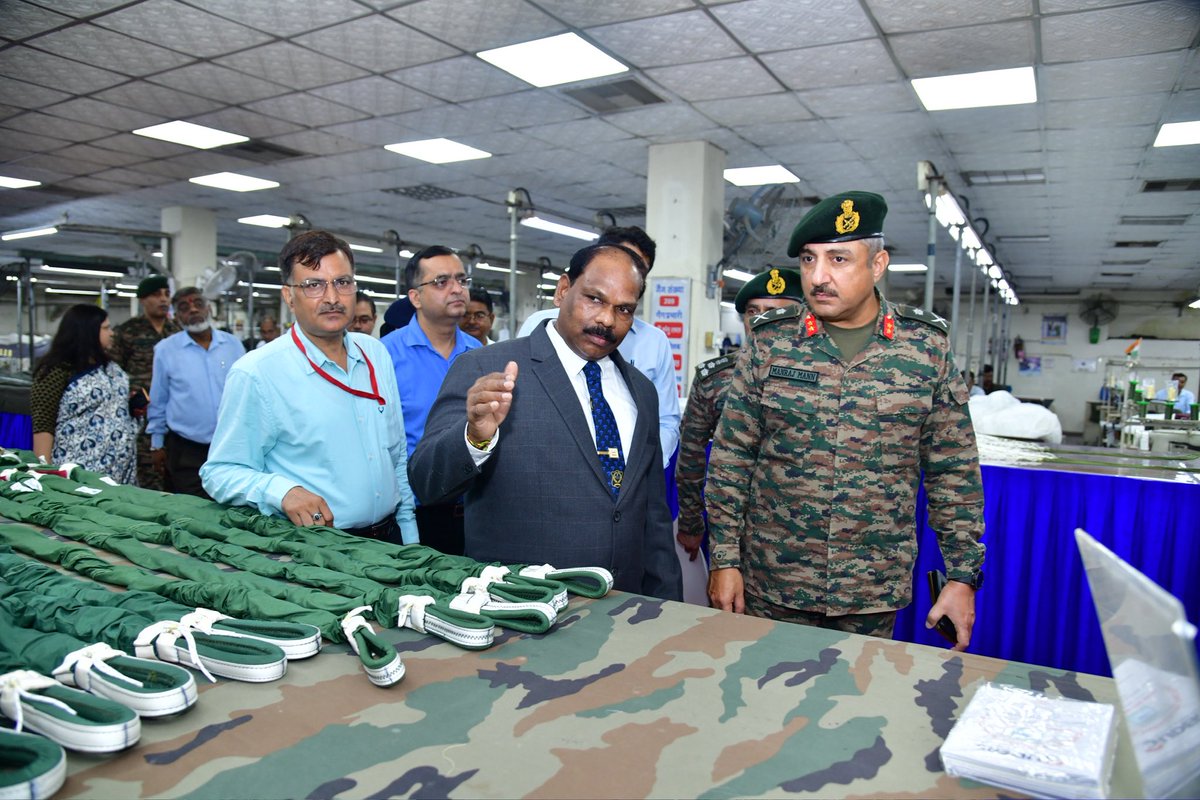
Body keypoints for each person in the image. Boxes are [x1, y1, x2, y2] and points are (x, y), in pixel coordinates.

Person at [706, 190, 985, 650]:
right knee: (760, 689)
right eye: (808, 260)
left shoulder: (924, 348)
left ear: (878, 265)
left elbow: (953, 469)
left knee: (860, 694)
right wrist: (723, 559)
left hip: (870, 589)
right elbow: (732, 457)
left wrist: (962, 575)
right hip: (773, 580)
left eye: (838, 259)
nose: (818, 277)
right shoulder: (771, 343)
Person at [410, 243, 682, 600]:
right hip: (524, 607)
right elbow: (426, 482)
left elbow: (653, 515)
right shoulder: (484, 367)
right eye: (595, 299)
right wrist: (474, 438)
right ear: (563, 290)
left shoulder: (641, 391)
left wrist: (668, 606)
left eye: (624, 309)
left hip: (625, 607)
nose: (607, 320)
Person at [201, 230, 417, 544]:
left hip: (389, 538)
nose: (332, 298)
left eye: (342, 282)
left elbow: (396, 455)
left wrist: (409, 535)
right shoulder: (257, 373)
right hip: (317, 546)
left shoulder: (375, 354)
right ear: (289, 296)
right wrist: (282, 492)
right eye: (314, 285)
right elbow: (219, 472)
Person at [517, 226, 680, 470]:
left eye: (638, 269)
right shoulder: (539, 325)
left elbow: (666, 420)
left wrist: (645, 467)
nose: (606, 320)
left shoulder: (654, 342)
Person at [675, 267, 804, 561]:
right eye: (752, 311)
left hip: (801, 528)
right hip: (733, 530)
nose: (759, 320)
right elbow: (691, 456)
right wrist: (690, 522)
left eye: (774, 312)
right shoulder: (715, 378)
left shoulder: (825, 375)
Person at [381, 246, 482, 554]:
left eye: (461, 280)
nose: (456, 289)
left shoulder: (479, 354)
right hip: (414, 514)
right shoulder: (385, 355)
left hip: (475, 510)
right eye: (441, 282)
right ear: (415, 297)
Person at [147, 287, 245, 497]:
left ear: (208, 308)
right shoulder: (165, 350)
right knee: (191, 506)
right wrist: (157, 444)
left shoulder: (233, 345)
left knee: (232, 502)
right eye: (184, 307)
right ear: (176, 315)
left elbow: (248, 391)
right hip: (186, 448)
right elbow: (159, 399)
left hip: (231, 443)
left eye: (198, 304)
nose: (193, 310)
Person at [31, 304, 136, 484]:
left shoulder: (110, 367)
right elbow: (43, 423)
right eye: (106, 328)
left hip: (118, 473)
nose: (112, 333)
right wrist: (44, 474)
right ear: (88, 331)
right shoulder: (56, 371)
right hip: (77, 474)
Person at [110, 274, 179, 490]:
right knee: (148, 470)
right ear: (142, 300)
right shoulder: (128, 331)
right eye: (156, 295)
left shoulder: (176, 332)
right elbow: (114, 372)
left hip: (174, 410)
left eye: (166, 294)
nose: (163, 299)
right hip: (141, 412)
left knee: (176, 469)